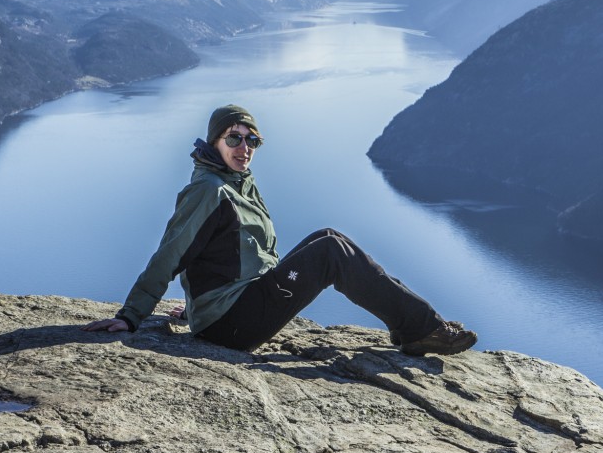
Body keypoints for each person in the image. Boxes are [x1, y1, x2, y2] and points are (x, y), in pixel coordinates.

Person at [83, 104, 477, 356]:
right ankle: (422, 329)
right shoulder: (208, 190)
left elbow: (214, 254)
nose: (244, 146)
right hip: (231, 326)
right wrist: (132, 315)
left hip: (234, 307)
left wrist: (193, 307)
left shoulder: (237, 182)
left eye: (251, 139)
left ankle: (418, 325)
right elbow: (172, 252)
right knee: (331, 254)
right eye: (234, 138)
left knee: (327, 237)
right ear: (215, 141)